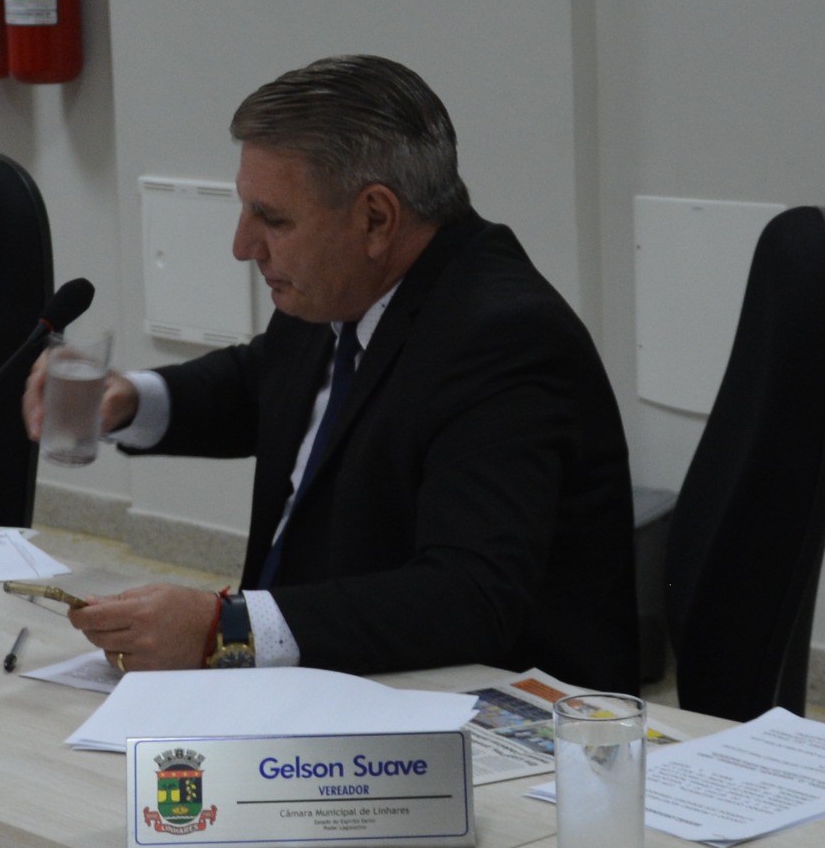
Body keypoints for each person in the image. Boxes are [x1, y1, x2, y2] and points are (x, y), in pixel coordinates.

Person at [34, 54, 637, 683]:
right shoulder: (340, 288)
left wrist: (227, 630)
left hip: (471, 702)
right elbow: (264, 384)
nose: (242, 246)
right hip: (326, 676)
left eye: (273, 218)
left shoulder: (505, 338)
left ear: (375, 218)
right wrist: (129, 398)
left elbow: (468, 594)